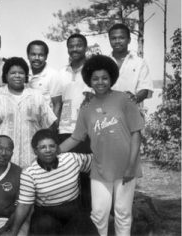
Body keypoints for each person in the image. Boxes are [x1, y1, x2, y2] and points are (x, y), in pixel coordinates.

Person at [59, 55, 144, 236]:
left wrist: (131, 166)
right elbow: (76, 137)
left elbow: (136, 133)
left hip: (126, 166)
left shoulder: (124, 100)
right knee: (98, 214)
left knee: (122, 213)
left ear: (111, 78)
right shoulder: (86, 107)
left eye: (105, 78)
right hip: (100, 167)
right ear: (89, 80)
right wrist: (55, 152)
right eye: (95, 78)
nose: (100, 82)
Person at [0, 129, 93, 236]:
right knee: (44, 225)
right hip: (47, 214)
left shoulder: (71, 159)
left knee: (84, 226)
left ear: (57, 148)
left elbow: (97, 163)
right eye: (43, 147)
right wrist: (14, 231)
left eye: (52, 146)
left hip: (73, 210)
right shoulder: (29, 173)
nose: (48, 150)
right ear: (35, 151)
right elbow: (24, 205)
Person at [0, 57, 56, 169]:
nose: (17, 75)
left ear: (26, 76)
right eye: (13, 73)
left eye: (21, 73)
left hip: (33, 160)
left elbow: (49, 126)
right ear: (6, 76)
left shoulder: (36, 96)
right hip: (4, 160)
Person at [58, 33, 92, 214]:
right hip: (64, 130)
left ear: (85, 47)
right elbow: (57, 102)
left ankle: (87, 218)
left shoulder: (92, 70)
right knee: (68, 175)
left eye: (79, 45)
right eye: (71, 46)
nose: (75, 49)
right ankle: (71, 217)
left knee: (86, 175)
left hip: (87, 131)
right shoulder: (61, 73)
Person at [108, 23, 153, 104]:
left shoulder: (139, 63)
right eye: (113, 38)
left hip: (130, 111)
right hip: (105, 111)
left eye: (121, 38)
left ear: (129, 40)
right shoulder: (102, 63)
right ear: (109, 40)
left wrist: (136, 97)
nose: (117, 41)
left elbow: (145, 88)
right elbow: (91, 88)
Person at [26, 40, 62, 121]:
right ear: (28, 56)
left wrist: (53, 128)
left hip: (44, 125)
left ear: (46, 57)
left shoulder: (53, 75)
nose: (37, 58)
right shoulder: (23, 72)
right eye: (33, 54)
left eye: (41, 55)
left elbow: (58, 104)